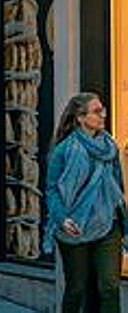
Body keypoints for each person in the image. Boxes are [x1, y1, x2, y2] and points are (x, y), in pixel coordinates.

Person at [45, 92, 127, 313]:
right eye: (96, 111)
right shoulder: (62, 151)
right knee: (77, 289)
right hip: (75, 225)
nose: (103, 115)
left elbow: (118, 187)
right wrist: (62, 219)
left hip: (109, 223)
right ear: (80, 118)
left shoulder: (110, 147)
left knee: (109, 286)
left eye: (103, 110)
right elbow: (51, 190)